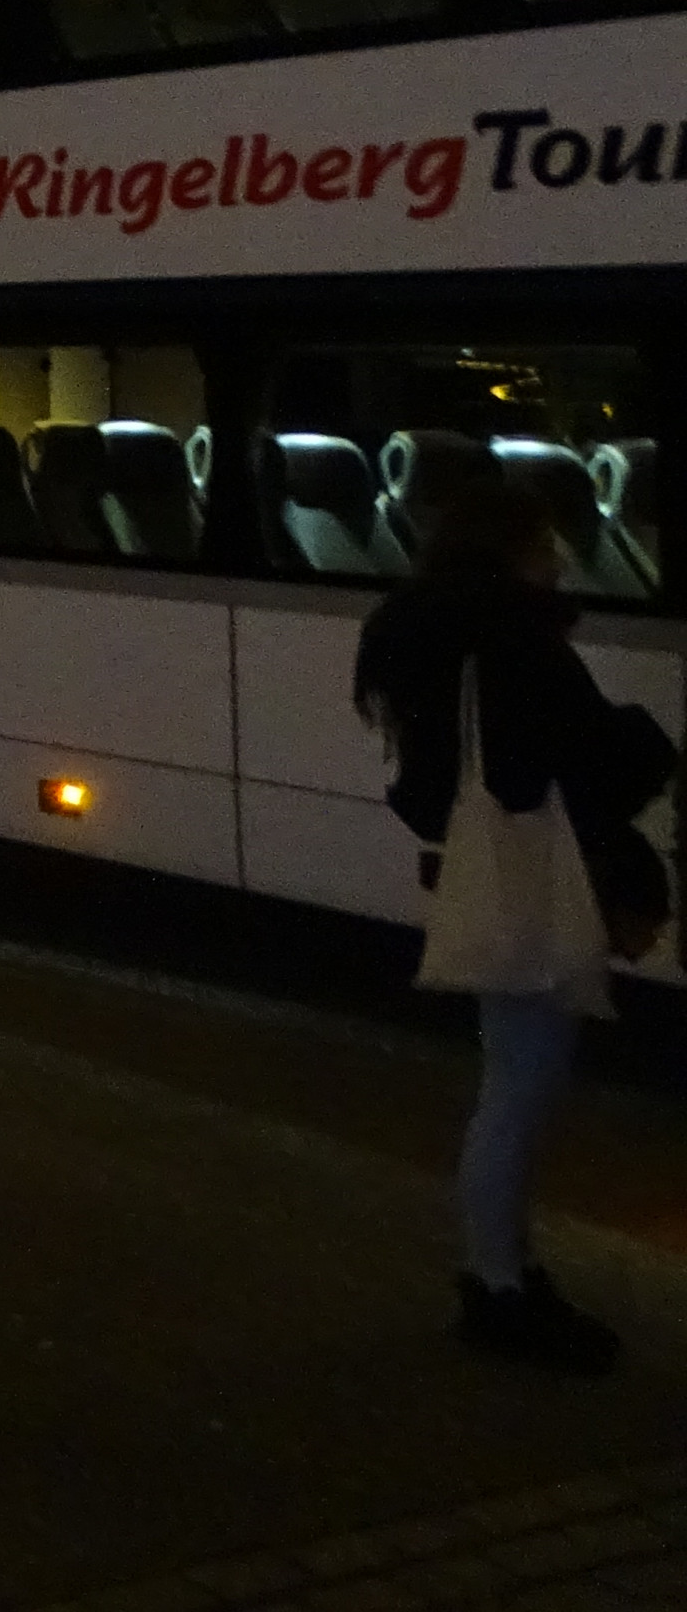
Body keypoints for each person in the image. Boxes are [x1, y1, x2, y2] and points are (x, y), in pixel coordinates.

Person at [356, 473, 675, 1374]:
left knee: (512, 1080)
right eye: (544, 544)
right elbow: (587, 760)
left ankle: (505, 1271)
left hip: (489, 871)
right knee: (520, 1091)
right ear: (510, 550)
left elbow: (425, 786)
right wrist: (644, 738)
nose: (560, 560)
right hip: (531, 882)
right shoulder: (514, 641)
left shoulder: (422, 635)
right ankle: (498, 1286)